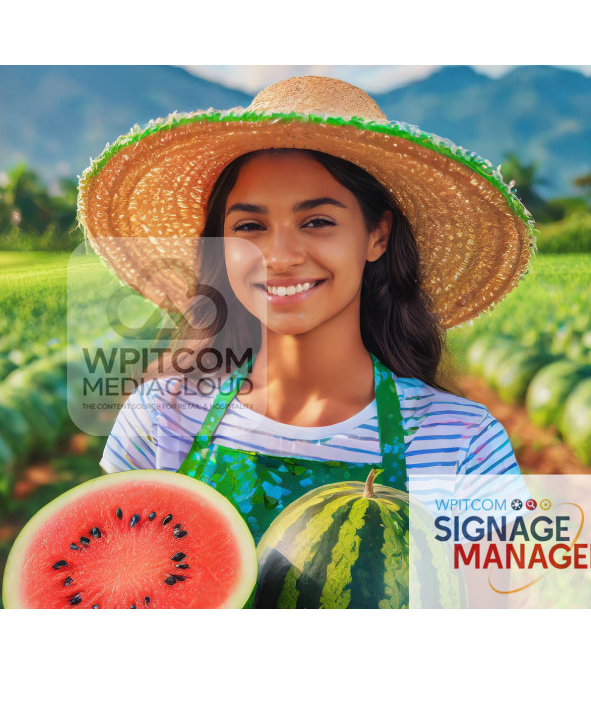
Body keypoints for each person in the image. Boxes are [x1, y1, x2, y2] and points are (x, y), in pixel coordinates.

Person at [76, 75, 534, 546]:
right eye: (250, 225)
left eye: (317, 222)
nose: (279, 255)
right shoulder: (160, 417)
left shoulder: (463, 443)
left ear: (377, 236)